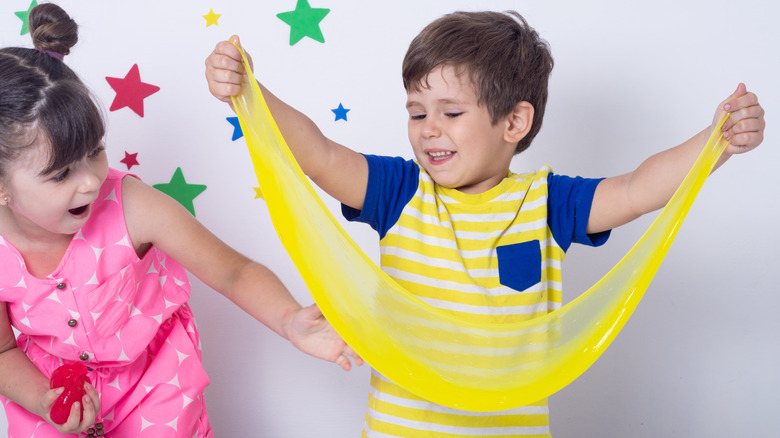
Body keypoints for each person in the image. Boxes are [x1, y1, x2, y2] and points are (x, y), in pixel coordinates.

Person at [204, 10, 764, 438]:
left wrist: (714, 144)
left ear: (514, 121)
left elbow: (636, 190)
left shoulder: (548, 202)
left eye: (450, 113)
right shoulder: (401, 191)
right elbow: (321, 155)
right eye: (417, 113)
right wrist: (249, 92)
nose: (428, 130)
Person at [0, 3, 361, 437]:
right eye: (60, 174)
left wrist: (289, 320)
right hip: (50, 391)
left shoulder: (132, 206)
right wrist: (42, 397)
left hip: (155, 385)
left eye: (94, 152)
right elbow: (3, 352)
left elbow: (232, 271)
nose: (89, 183)